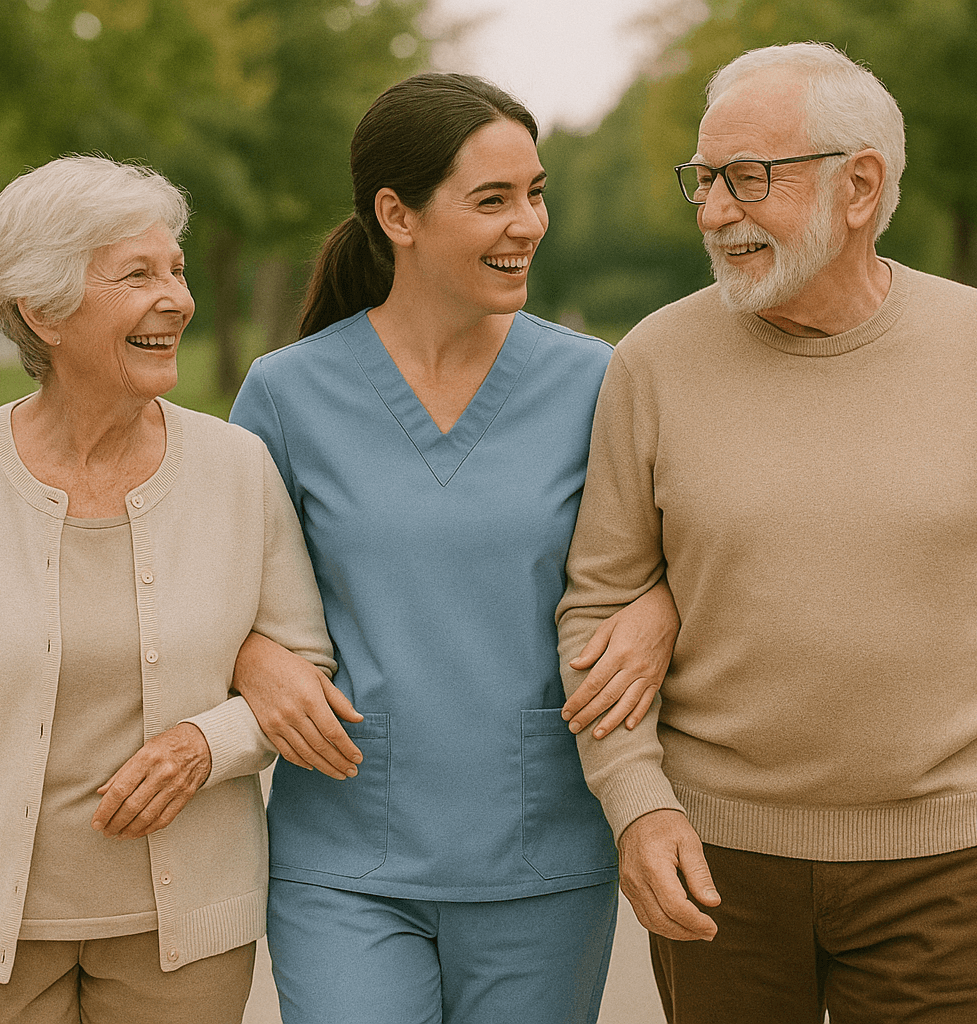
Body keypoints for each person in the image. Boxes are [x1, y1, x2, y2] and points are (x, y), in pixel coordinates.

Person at [556, 42, 977, 1024]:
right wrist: (637, 801)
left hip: (942, 866)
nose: (713, 212)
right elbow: (599, 602)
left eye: (747, 180)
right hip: (717, 863)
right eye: (704, 180)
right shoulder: (651, 363)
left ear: (860, 186)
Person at [0, 155, 333, 1024]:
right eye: (137, 275)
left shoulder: (237, 470)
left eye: (175, 270)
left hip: (186, 942)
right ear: (42, 310)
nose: (176, 298)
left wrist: (206, 743)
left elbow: (304, 667)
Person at [225, 73, 679, 1024]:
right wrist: (251, 654)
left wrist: (660, 607)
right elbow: (212, 586)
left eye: (536, 192)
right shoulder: (285, 394)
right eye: (493, 200)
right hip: (345, 860)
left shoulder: (598, 381)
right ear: (398, 214)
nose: (530, 224)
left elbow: (698, 544)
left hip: (542, 855)